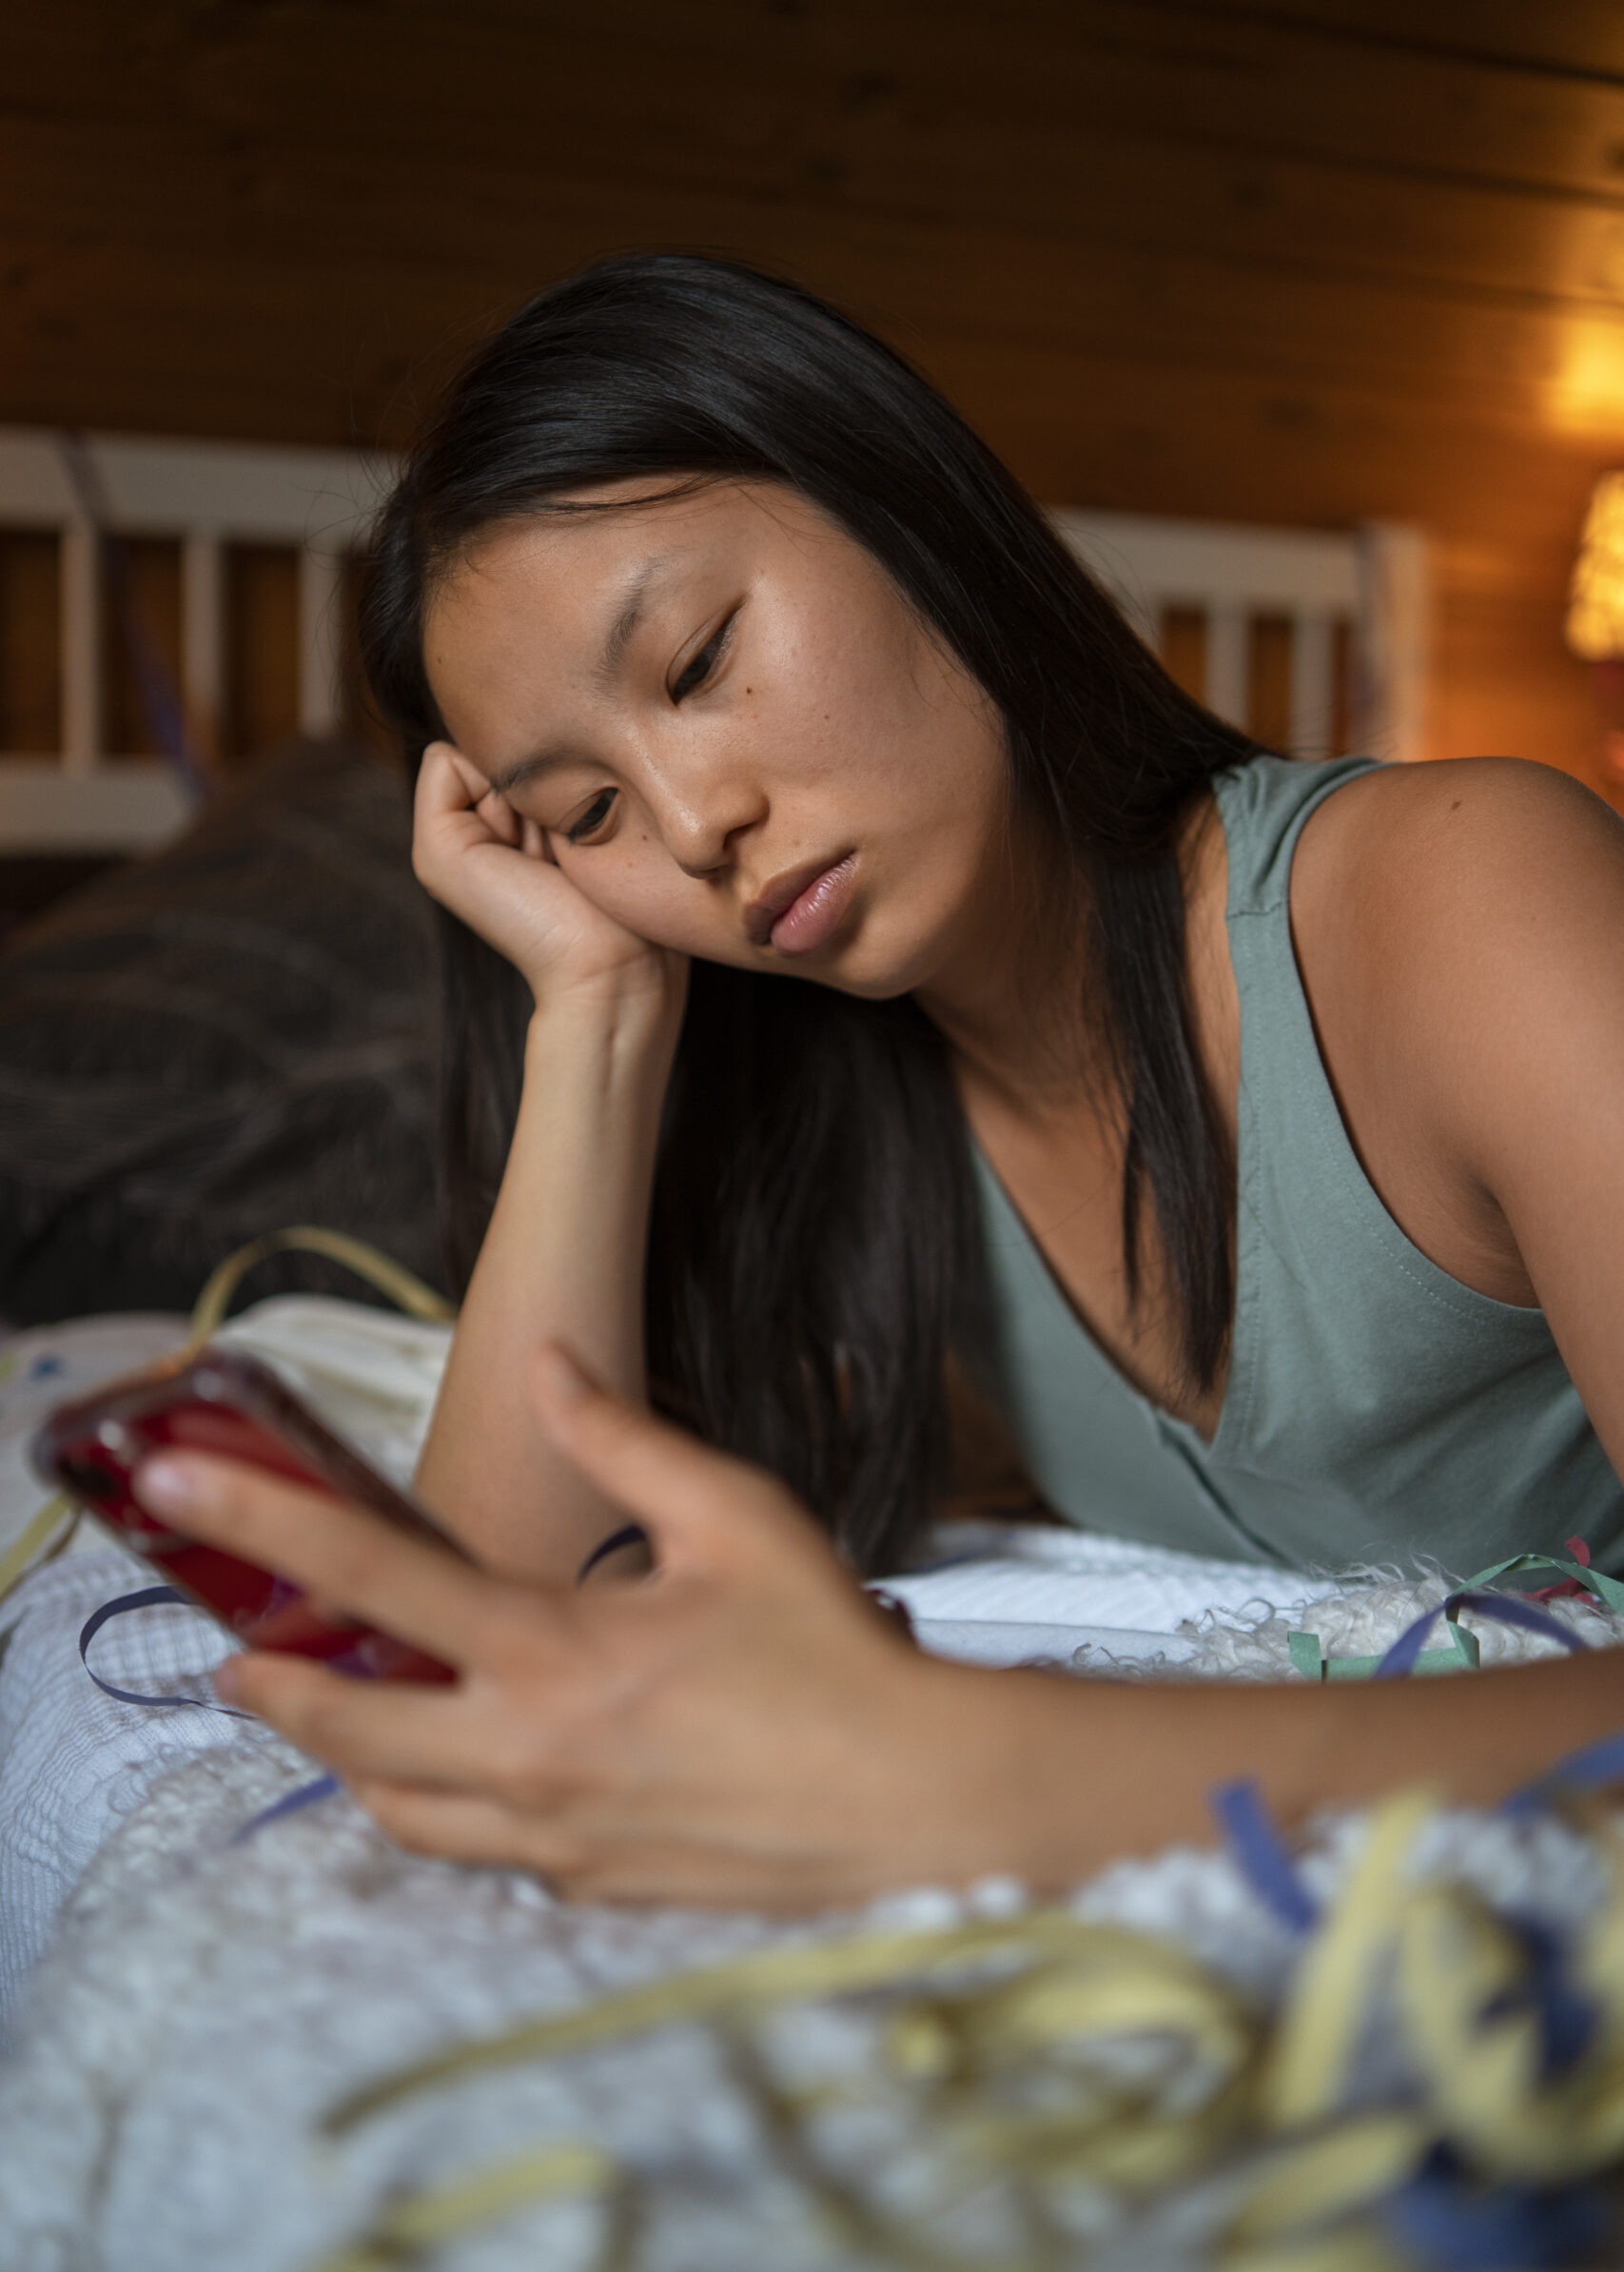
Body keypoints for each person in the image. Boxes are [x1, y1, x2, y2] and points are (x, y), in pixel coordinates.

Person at [136, 256, 1624, 1909]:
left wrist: (996, 1781)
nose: (695, 825)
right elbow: (502, 1633)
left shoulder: (1471, 899)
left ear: (893, 499)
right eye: (588, 816)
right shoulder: (859, 1142)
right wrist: (598, 1013)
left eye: (698, 662)